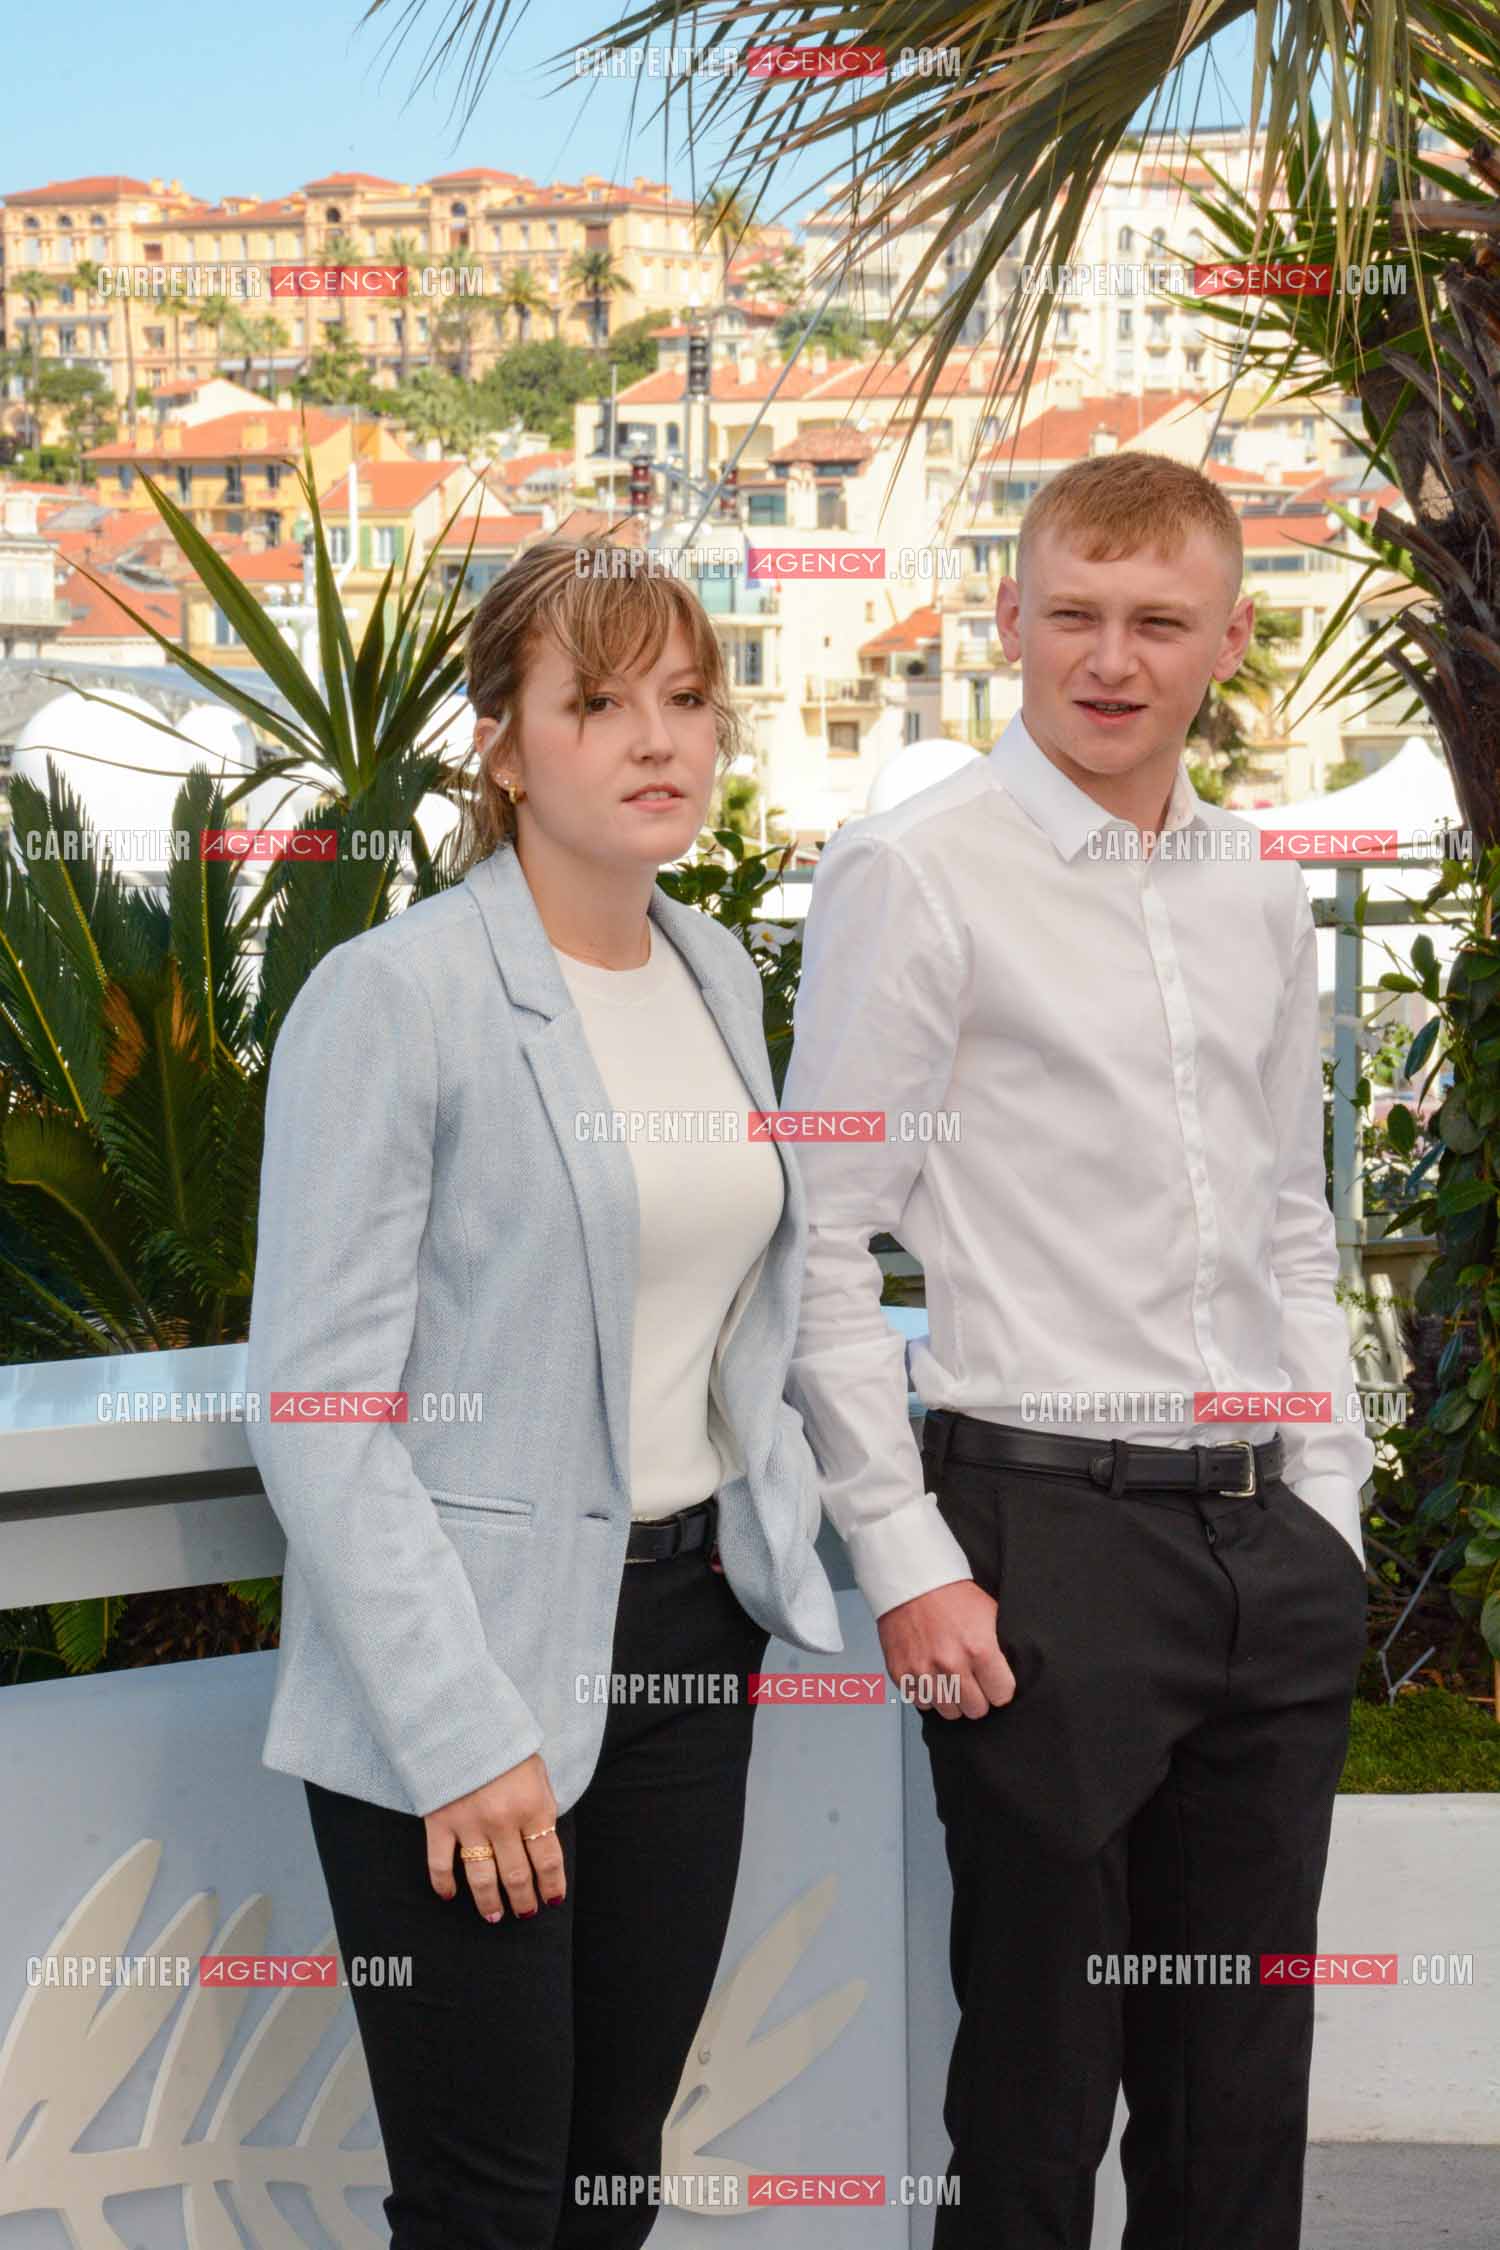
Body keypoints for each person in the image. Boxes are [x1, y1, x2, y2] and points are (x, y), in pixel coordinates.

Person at [779, 449, 1374, 2249]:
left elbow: (1289, 1219)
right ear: (1014, 620)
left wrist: (1330, 1502)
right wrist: (908, 1562)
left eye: (1159, 624)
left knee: (1240, 2091)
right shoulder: (916, 872)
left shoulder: (1258, 891)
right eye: (1077, 617)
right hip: (1038, 1550)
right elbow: (814, 1239)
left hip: (1264, 1550)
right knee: (1038, 2095)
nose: (1111, 660)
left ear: (1223, 645)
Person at [245, 529, 842, 2249]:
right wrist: (462, 1731)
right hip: (468, 1670)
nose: (660, 740)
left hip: (685, 1635)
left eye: (686, 699)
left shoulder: (719, 973)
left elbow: (741, 1314)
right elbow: (320, 1405)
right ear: (502, 746)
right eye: (598, 702)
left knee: (608, 2185)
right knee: (488, 2208)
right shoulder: (397, 998)